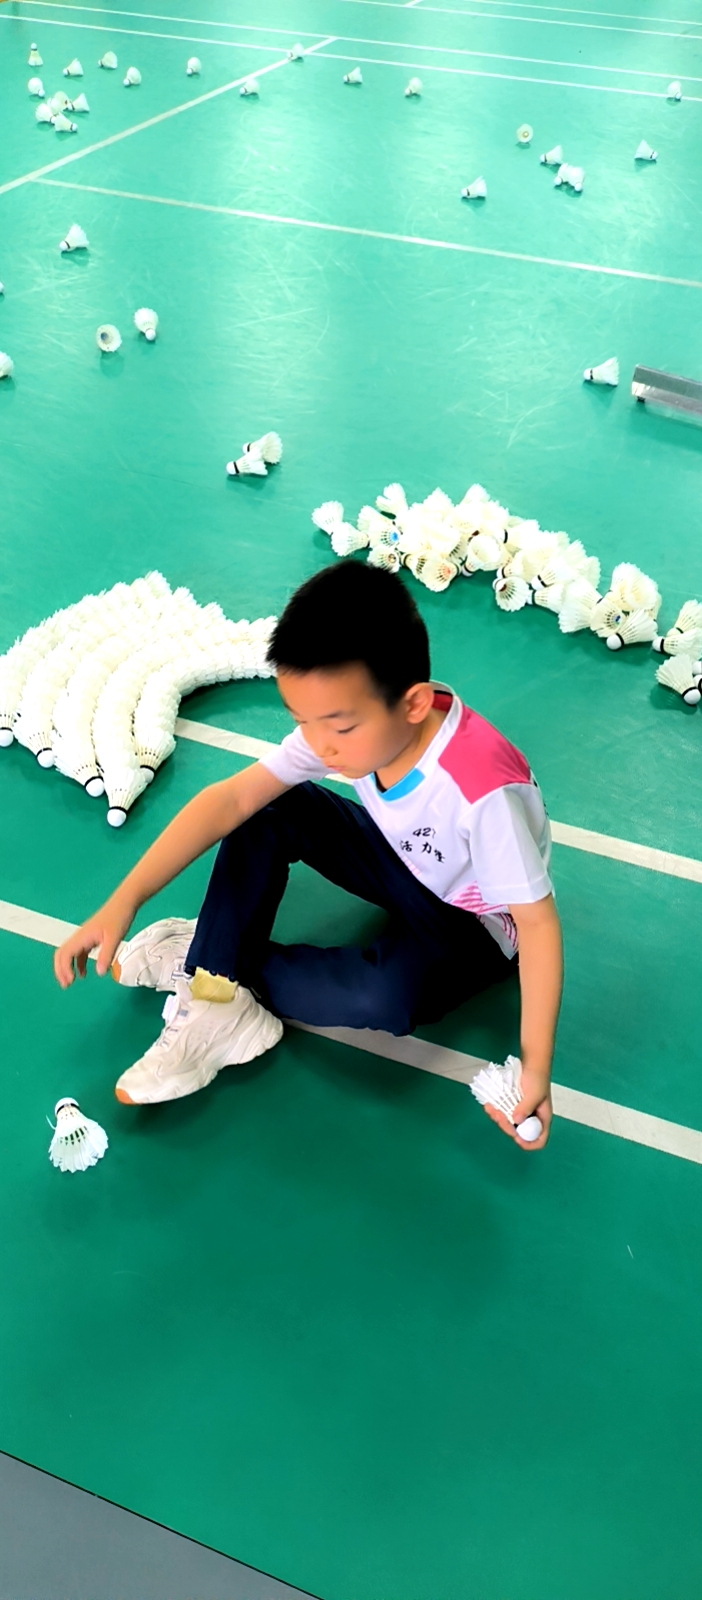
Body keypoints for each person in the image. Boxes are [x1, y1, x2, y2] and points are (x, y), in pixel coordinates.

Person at [54, 561, 562, 1148]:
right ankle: (216, 986)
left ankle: (211, 958)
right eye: (302, 721)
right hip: (411, 860)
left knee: (386, 999)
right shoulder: (356, 727)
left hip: (473, 925)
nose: (320, 745)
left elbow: (538, 924)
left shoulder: (480, 793)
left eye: (337, 728)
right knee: (267, 807)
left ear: (415, 703)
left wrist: (535, 1068)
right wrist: (123, 902)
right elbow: (233, 799)